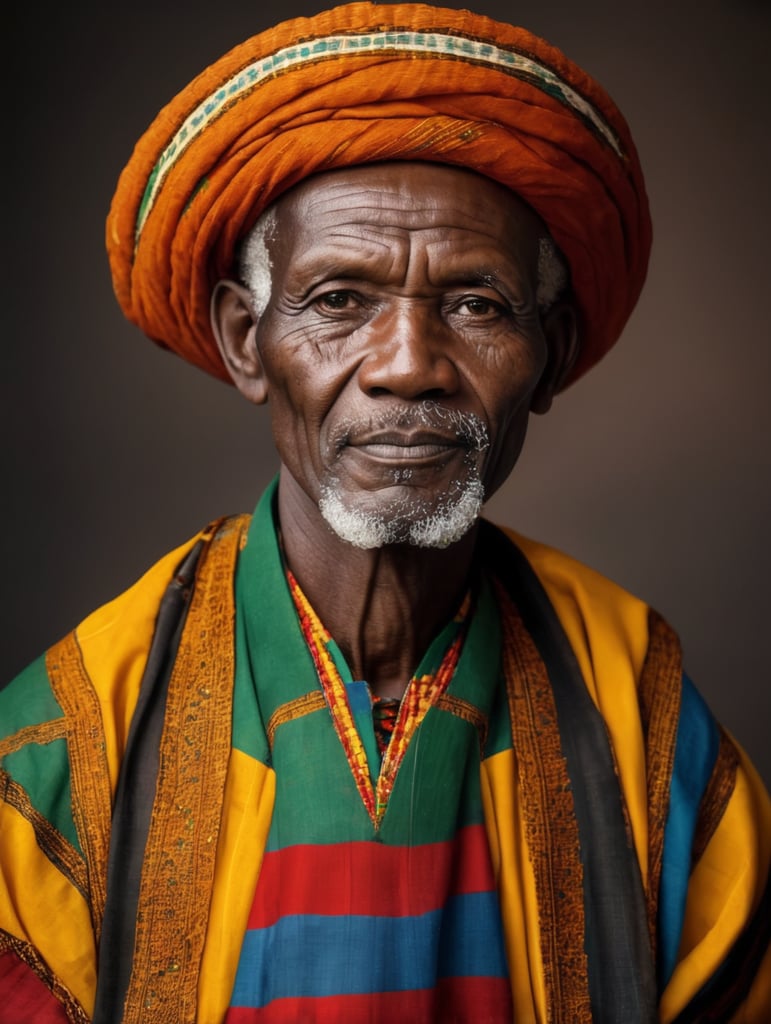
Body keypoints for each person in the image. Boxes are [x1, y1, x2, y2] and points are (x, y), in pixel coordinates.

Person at [1, 2, 768, 1021]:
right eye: (338, 300)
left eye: (476, 304)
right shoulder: (76, 737)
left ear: (549, 356)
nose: (408, 365)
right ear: (244, 341)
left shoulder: (640, 714)